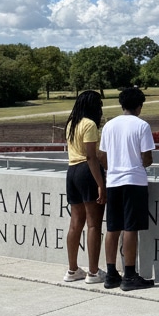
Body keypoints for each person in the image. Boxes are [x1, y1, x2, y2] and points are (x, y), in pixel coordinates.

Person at [97, 86, 156, 291]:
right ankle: (130, 275)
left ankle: (111, 274)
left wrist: (113, 168)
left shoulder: (109, 126)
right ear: (139, 106)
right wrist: (138, 164)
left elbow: (101, 156)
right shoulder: (142, 126)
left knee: (113, 227)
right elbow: (147, 157)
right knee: (131, 228)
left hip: (113, 181)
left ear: (122, 104)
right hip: (134, 181)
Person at [62, 90, 107, 284]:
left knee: (75, 223)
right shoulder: (89, 124)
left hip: (71, 171)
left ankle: (72, 269)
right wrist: (101, 184)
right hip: (86, 172)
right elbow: (91, 156)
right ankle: (94, 272)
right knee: (93, 224)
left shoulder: (71, 123)